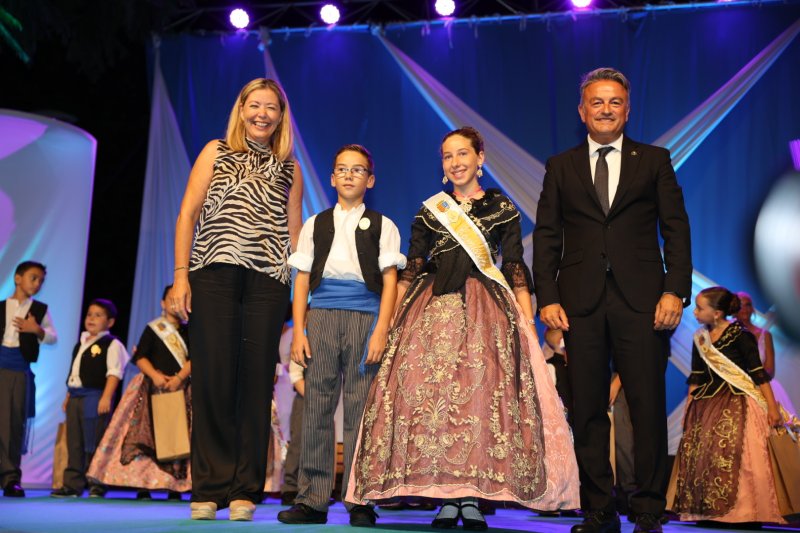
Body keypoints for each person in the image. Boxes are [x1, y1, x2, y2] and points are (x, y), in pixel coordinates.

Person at [348, 127, 580, 530]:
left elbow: (512, 266)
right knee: (430, 401)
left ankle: (471, 497)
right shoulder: (429, 211)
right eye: (447, 156)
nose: (455, 162)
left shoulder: (500, 207)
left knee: (477, 400)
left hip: (485, 310)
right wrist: (390, 322)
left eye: (462, 154)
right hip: (431, 306)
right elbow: (414, 267)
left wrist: (526, 321)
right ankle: (444, 497)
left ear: (480, 158)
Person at [532, 67, 693, 533]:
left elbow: (676, 229)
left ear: (628, 108)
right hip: (579, 303)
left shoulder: (655, 160)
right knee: (587, 410)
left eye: (615, 102)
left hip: (643, 302)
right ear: (583, 111)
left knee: (645, 407)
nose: (606, 109)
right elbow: (547, 235)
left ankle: (647, 510)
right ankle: (598, 511)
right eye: (597, 102)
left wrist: (674, 290)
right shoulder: (560, 165)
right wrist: (548, 297)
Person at [170, 78, 303, 521]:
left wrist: (300, 290)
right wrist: (180, 277)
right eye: (255, 105)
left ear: (281, 116)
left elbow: (296, 235)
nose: (263, 113)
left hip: (268, 283)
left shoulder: (290, 167)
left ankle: (245, 490)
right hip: (212, 276)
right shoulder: (215, 150)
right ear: (241, 108)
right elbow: (188, 213)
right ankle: (208, 488)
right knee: (213, 380)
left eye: (272, 107)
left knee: (253, 385)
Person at [277, 144, 405, 527]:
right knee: (316, 407)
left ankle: (360, 498)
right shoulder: (316, 223)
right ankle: (312, 500)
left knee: (360, 410)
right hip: (322, 317)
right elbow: (301, 280)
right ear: (332, 178)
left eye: (358, 169)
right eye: (342, 169)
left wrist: (382, 328)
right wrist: (299, 329)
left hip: (366, 318)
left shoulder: (384, 225)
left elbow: (390, 281)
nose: (349, 175)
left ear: (371, 179)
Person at [669, 286, 786, 525]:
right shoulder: (700, 338)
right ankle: (709, 512)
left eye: (700, 308)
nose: (695, 313)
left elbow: (758, 373)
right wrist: (690, 407)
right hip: (707, 403)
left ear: (717, 313)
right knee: (706, 457)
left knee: (739, 455)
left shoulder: (741, 336)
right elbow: (697, 376)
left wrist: (772, 408)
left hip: (739, 400)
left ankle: (746, 513)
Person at [86, 285, 191, 500]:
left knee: (178, 437)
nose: (175, 303)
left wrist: (179, 378)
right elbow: (141, 356)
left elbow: (196, 358)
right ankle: (144, 485)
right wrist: (156, 376)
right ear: (162, 303)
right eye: (171, 299)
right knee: (146, 436)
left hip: (182, 389)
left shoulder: (191, 330)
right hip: (152, 388)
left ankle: (174, 486)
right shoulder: (154, 328)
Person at [51, 298, 128, 498]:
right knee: (74, 441)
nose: (91, 318)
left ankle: (97, 483)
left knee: (93, 440)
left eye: (98, 315)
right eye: (89, 314)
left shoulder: (111, 344)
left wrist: (106, 397)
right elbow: (74, 373)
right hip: (76, 396)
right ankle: (72, 485)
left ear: (110, 322)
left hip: (95, 396)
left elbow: (114, 373)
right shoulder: (81, 343)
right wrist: (68, 396)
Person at [0, 261, 57, 498]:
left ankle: (10, 478)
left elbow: (52, 337)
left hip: (18, 370)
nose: (37, 284)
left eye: (41, 280)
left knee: (11, 426)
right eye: (33, 278)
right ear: (18, 278)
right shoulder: (2, 306)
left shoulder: (40, 310)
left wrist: (36, 330)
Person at [736, 291, 796, 414]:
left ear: (752, 308)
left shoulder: (765, 335)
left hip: (764, 386)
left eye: (747, 305)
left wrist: (754, 378)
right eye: (740, 305)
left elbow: (770, 369)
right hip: (737, 387)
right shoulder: (728, 334)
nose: (744, 309)